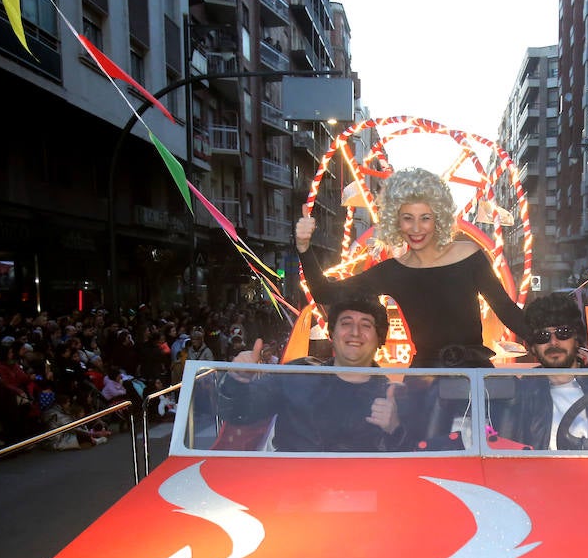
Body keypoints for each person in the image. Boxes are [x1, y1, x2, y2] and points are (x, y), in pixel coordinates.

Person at [295, 167, 528, 366]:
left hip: (474, 377)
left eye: (425, 217)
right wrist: (304, 247)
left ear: (439, 218)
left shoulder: (469, 254)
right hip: (425, 380)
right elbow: (325, 293)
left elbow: (507, 311)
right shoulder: (392, 271)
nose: (416, 228)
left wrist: (551, 339)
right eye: (408, 218)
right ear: (395, 221)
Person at [219, 295, 410, 452]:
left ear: (380, 338)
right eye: (346, 323)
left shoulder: (395, 396)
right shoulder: (296, 377)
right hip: (293, 489)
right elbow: (239, 414)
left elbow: (413, 463)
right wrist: (238, 380)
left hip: (363, 493)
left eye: (366, 325)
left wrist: (395, 429)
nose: (355, 332)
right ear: (332, 334)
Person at [499, 294, 588, 450]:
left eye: (563, 332)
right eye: (542, 336)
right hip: (544, 472)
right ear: (532, 346)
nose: (553, 342)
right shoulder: (522, 394)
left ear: (577, 338)